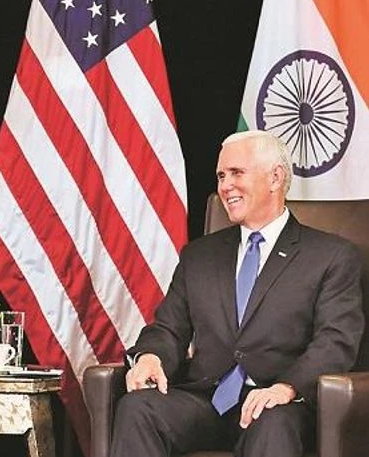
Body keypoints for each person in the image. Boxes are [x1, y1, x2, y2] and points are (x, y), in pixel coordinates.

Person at [110, 130, 364, 457]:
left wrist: (287, 387)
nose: (225, 185)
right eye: (220, 175)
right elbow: (168, 328)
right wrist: (150, 357)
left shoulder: (330, 256)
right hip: (205, 401)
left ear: (275, 178)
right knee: (138, 408)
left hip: (276, 404)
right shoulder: (199, 256)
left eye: (236, 173)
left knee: (274, 423)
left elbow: (336, 341)